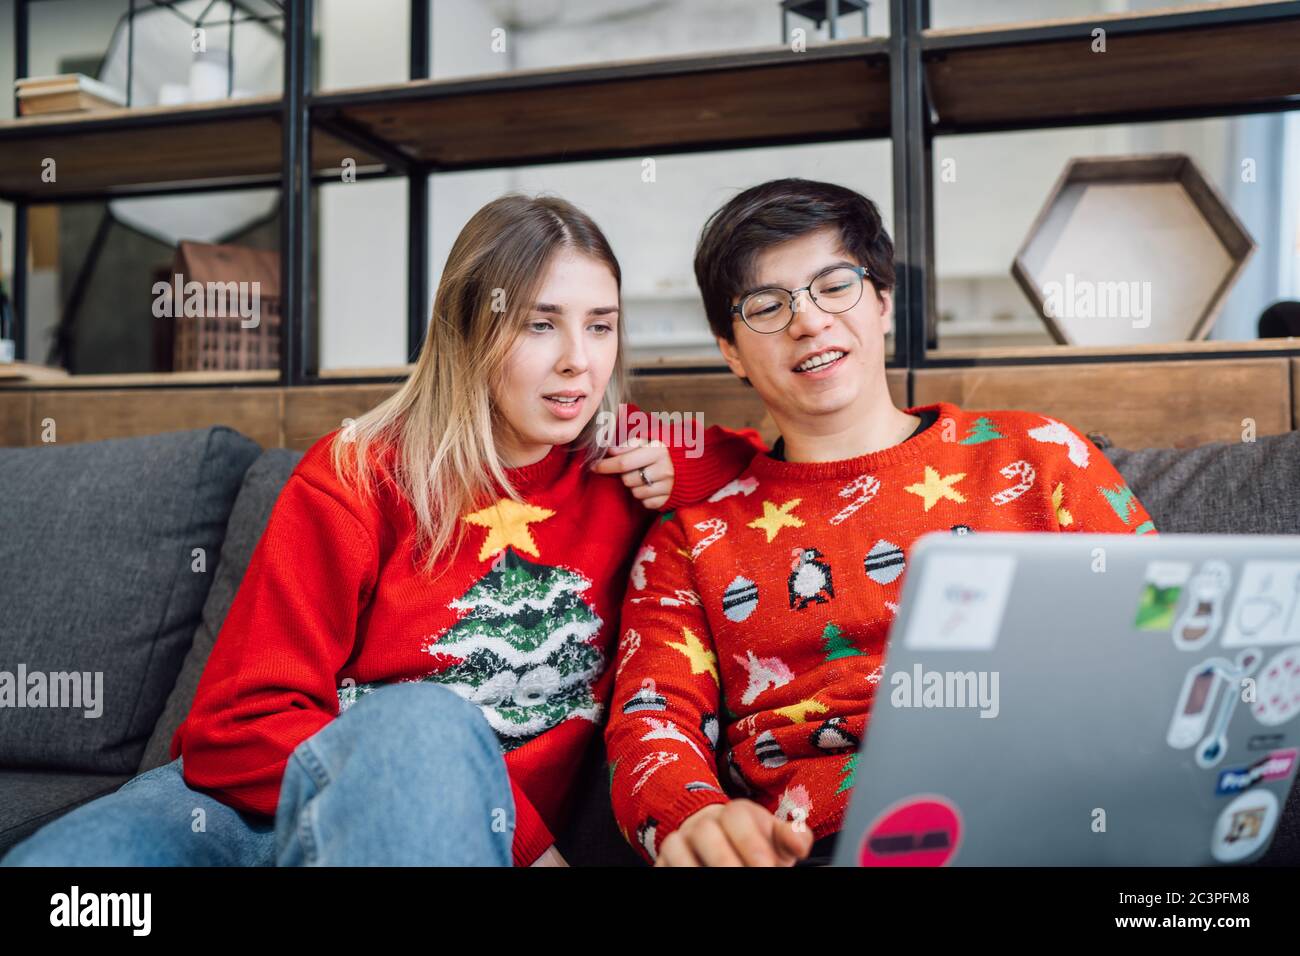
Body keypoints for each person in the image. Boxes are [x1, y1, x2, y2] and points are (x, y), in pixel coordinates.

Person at [1, 194, 762, 868]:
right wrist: (524, 840)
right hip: (239, 820)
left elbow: (773, 457)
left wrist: (681, 470)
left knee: (429, 723)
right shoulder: (360, 472)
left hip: (429, 841)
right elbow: (234, 728)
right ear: (469, 331)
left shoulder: (618, 464)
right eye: (539, 325)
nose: (578, 363)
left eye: (601, 326)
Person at [603, 177, 1157, 867]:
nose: (808, 322)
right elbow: (651, 722)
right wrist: (697, 821)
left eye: (835, 286)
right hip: (828, 843)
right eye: (766, 306)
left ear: (884, 301)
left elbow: (1160, 636)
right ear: (731, 352)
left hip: (1044, 808)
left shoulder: (1039, 454)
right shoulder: (690, 537)